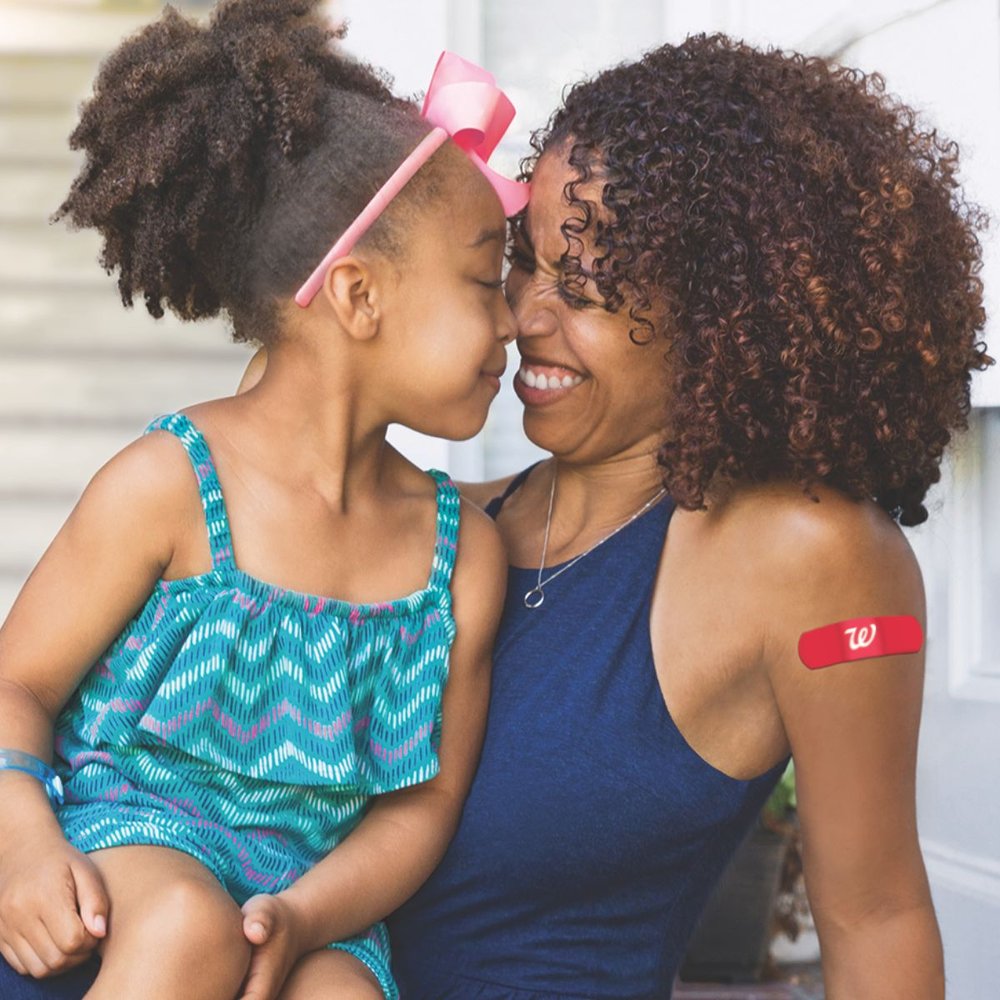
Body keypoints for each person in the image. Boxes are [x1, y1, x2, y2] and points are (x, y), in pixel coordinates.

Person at [383, 34, 990, 999]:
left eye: (583, 288)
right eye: (521, 266)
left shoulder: (809, 558)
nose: (523, 317)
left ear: (721, 314)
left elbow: (876, 917)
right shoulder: (433, 522)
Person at [0, 1, 527, 998]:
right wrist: (21, 842)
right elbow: (15, 682)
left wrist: (304, 917)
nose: (511, 322)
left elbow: (422, 805)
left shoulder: (461, 556)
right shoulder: (171, 483)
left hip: (312, 895)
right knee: (189, 929)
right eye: (482, 280)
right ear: (359, 297)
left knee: (342, 994)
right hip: (135, 837)